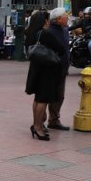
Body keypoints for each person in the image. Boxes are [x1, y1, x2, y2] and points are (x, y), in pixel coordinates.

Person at [24, 10, 64, 140]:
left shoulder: (31, 33)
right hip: (46, 70)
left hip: (36, 68)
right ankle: (38, 127)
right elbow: (61, 49)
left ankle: (36, 124)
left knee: (37, 99)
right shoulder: (44, 34)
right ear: (44, 21)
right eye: (47, 20)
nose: (48, 22)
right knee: (43, 99)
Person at [45, 8, 71, 132]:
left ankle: (54, 120)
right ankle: (41, 120)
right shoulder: (49, 32)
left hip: (63, 68)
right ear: (58, 19)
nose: (68, 18)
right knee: (47, 95)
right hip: (52, 68)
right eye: (66, 17)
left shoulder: (65, 30)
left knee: (60, 96)